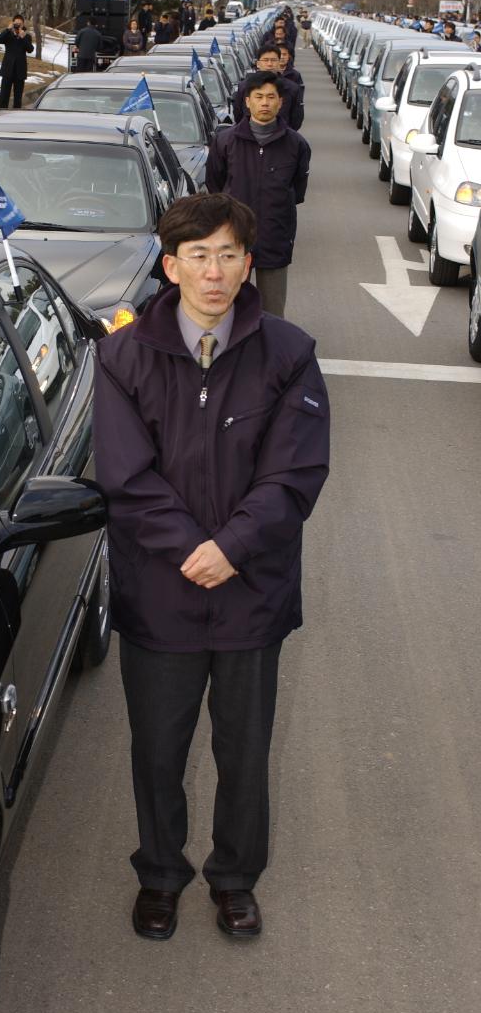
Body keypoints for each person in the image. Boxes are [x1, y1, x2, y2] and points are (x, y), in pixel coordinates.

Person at [93, 191, 330, 943]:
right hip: (159, 594)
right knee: (158, 751)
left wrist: (231, 548)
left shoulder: (289, 353)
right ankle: (160, 874)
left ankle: (234, 878)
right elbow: (125, 476)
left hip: (249, 594)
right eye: (198, 255)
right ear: (171, 266)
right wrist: (190, 549)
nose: (215, 272)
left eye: (229, 254)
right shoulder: (124, 355)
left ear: (248, 263)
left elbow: (294, 474)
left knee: (244, 751)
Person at [205, 71, 311, 318]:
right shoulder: (225, 141)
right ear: (247, 101)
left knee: (272, 312)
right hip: (232, 238)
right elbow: (215, 186)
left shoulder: (296, 145)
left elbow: (296, 191)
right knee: (229, 307)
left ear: (280, 102)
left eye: (271, 97)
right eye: (259, 96)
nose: (265, 102)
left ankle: (269, 355)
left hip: (275, 237)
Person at [231, 45, 304, 131]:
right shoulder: (245, 86)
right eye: (265, 60)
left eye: (273, 60)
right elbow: (238, 114)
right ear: (258, 64)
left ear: (279, 62)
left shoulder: (292, 88)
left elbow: (296, 119)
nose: (269, 64)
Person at [0, 14, 34, 107]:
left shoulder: (26, 36)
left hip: (20, 71)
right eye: (16, 23)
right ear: (13, 23)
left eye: (20, 24)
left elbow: (30, 50)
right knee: (4, 96)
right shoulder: (8, 35)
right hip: (7, 69)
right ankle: (0, 114)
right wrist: (8, 29)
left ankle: (17, 115)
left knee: (18, 98)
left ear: (23, 25)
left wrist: (23, 37)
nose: (18, 25)